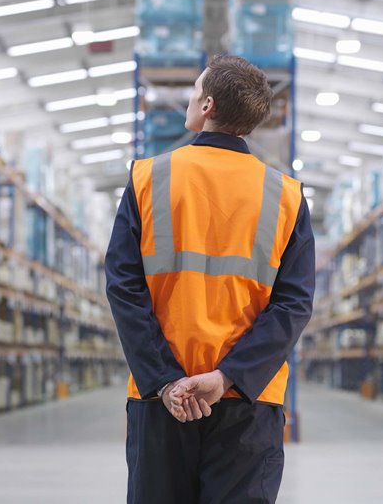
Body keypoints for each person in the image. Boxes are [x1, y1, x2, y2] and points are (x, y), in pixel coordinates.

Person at [105, 54, 315, 504]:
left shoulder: (147, 178)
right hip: (248, 403)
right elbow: (293, 305)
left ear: (208, 106)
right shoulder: (286, 196)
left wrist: (163, 381)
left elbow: (124, 287)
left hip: (164, 402)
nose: (191, 96)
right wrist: (228, 377)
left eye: (195, 89)